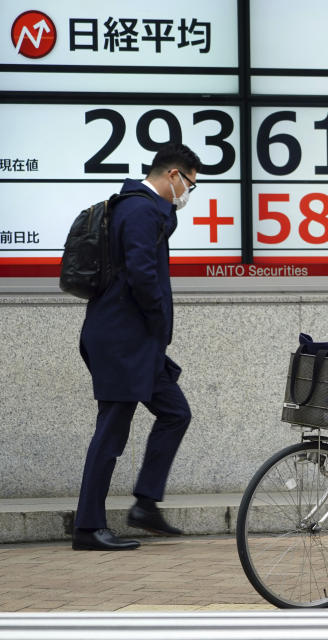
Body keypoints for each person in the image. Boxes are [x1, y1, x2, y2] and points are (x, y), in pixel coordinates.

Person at [72, 143, 199, 551]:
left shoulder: (138, 208)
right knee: (111, 431)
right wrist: (161, 321)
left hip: (135, 340)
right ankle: (88, 528)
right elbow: (144, 276)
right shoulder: (141, 209)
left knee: (175, 411)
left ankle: (145, 503)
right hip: (123, 340)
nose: (187, 196)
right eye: (190, 186)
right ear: (173, 175)